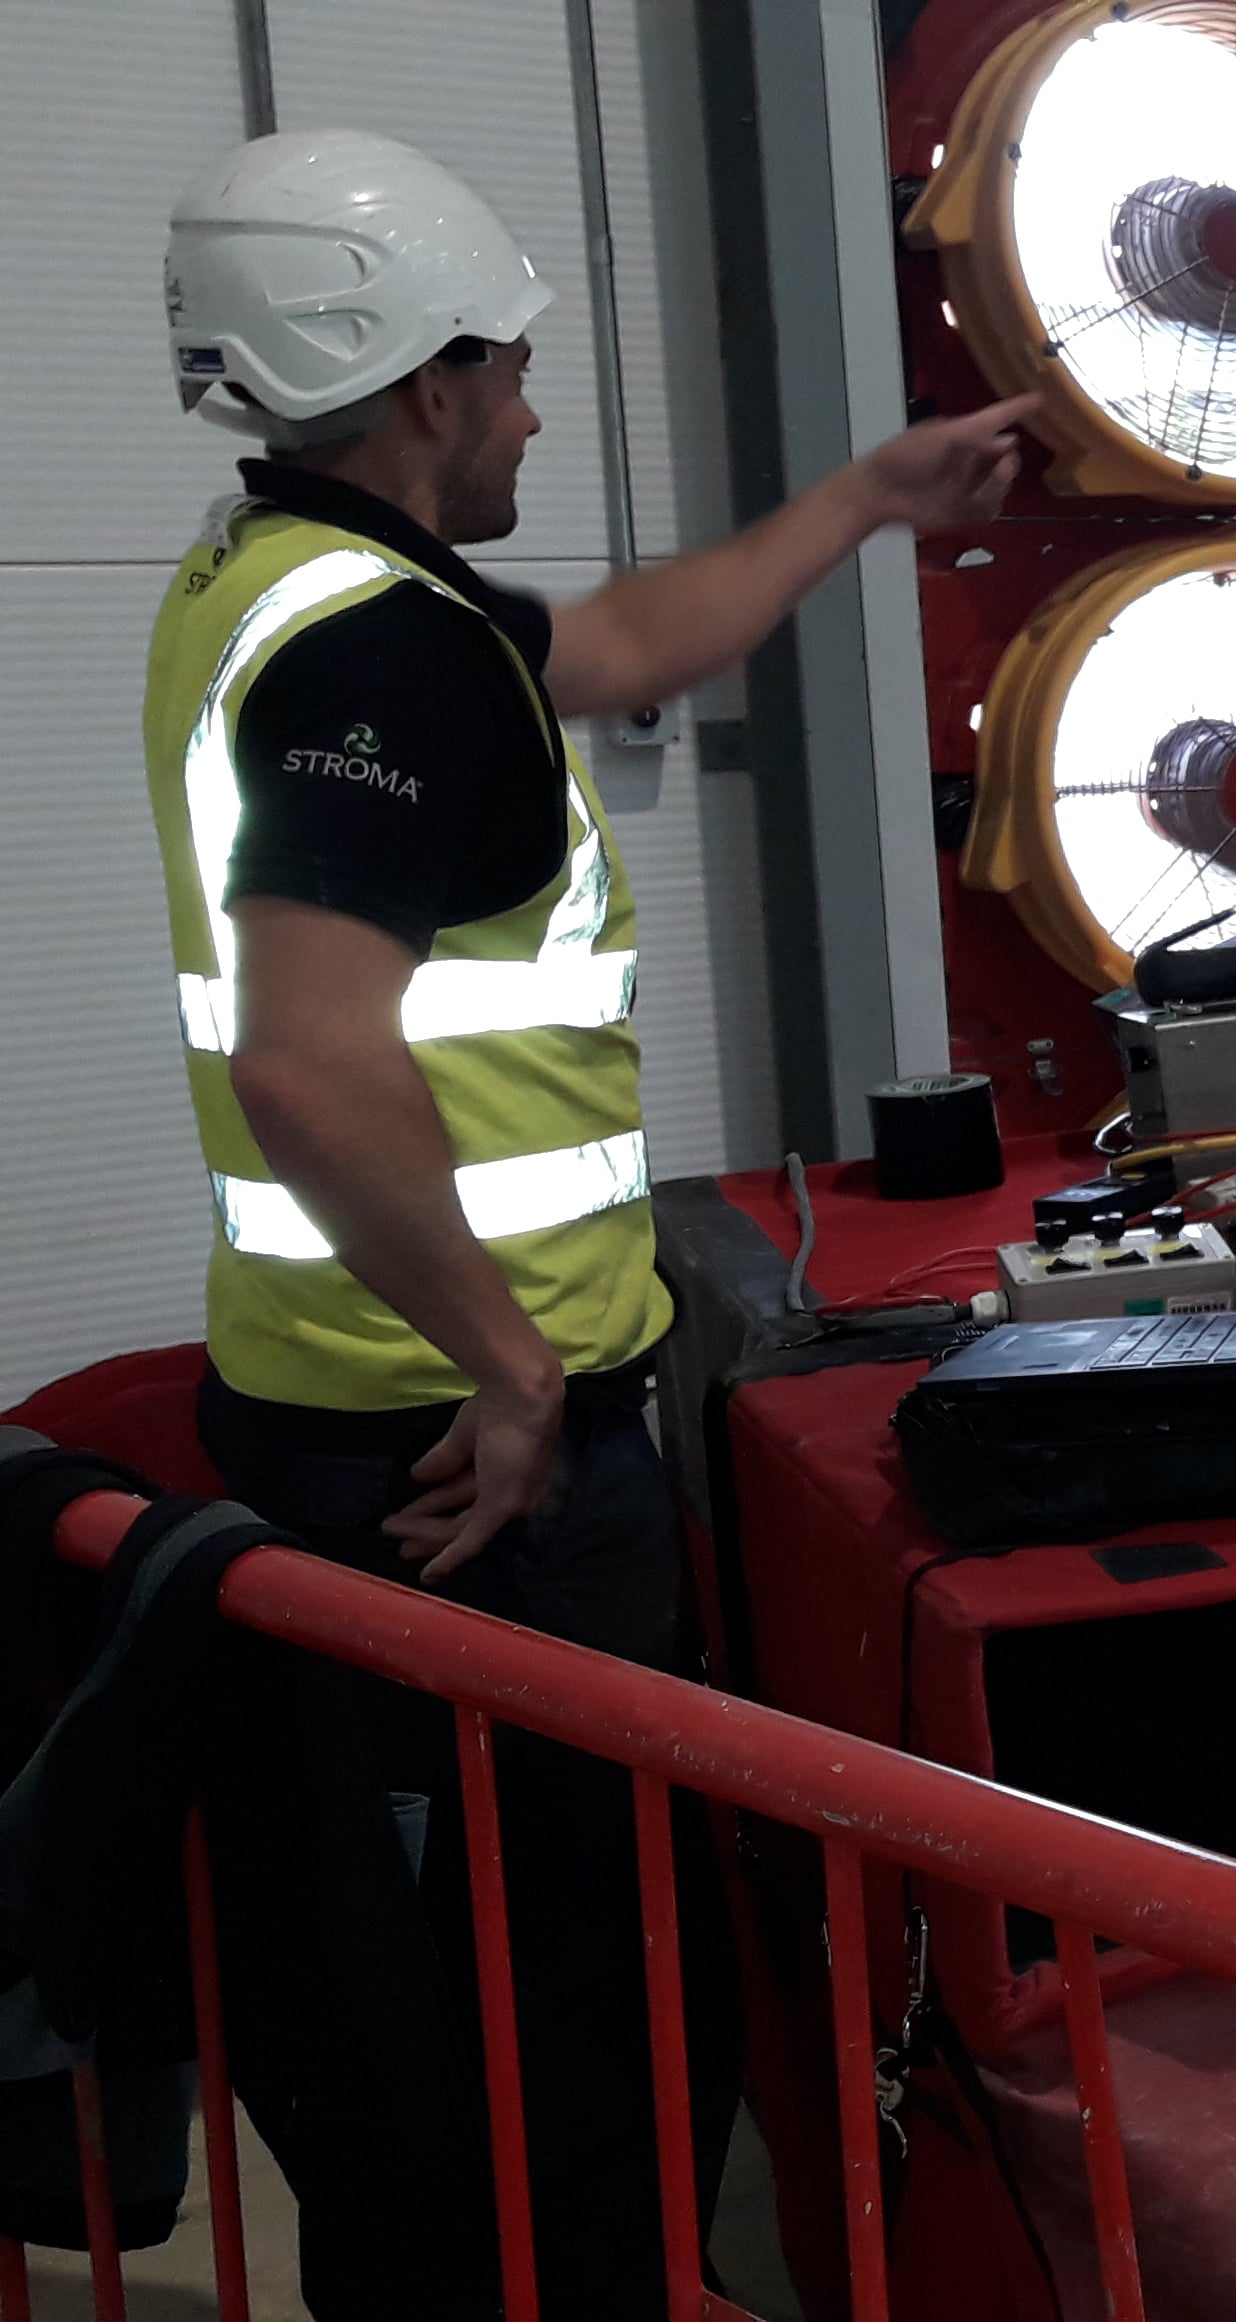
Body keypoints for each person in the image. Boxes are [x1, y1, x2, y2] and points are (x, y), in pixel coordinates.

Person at [146, 128, 1034, 2317]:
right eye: (518, 373)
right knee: (562, 2051)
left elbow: (630, 641)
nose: (536, 410)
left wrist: (867, 500)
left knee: (450, 2030)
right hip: (467, 1479)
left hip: (337, 1426)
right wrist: (520, 1368)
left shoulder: (286, 584)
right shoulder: (393, 667)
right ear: (424, 385)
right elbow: (307, 1057)